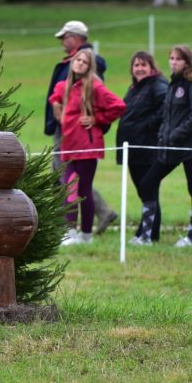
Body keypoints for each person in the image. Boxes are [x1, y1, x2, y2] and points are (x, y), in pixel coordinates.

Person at [44, 20, 119, 231]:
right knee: (61, 175)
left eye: (65, 37)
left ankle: (85, 220)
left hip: (75, 132)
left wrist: (96, 119)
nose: (62, 42)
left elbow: (100, 98)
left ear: (76, 38)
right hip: (64, 127)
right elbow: (58, 94)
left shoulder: (88, 64)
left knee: (70, 178)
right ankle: (67, 221)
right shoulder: (71, 61)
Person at [132, 45, 192, 247]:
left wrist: (176, 134)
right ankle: (147, 237)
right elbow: (167, 117)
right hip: (169, 147)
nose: (173, 62)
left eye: (178, 59)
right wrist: (163, 136)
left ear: (187, 62)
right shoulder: (173, 84)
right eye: (171, 58)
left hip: (190, 147)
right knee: (147, 183)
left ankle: (191, 238)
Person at [49, 49, 126, 245]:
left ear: (89, 66)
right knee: (70, 189)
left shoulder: (94, 87)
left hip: (87, 147)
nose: (80, 63)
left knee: (83, 191)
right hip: (69, 146)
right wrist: (57, 106)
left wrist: (97, 118)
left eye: (84, 61)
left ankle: (85, 235)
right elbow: (54, 96)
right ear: (72, 63)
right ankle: (70, 233)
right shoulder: (64, 86)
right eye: (78, 60)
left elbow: (118, 105)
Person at [113, 51, 169, 240]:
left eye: (143, 65)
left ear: (152, 67)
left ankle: (149, 234)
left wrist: (148, 126)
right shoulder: (135, 87)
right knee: (144, 191)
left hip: (147, 147)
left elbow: (166, 107)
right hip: (134, 148)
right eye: (136, 65)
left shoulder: (157, 85)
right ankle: (148, 231)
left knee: (148, 189)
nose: (139, 69)